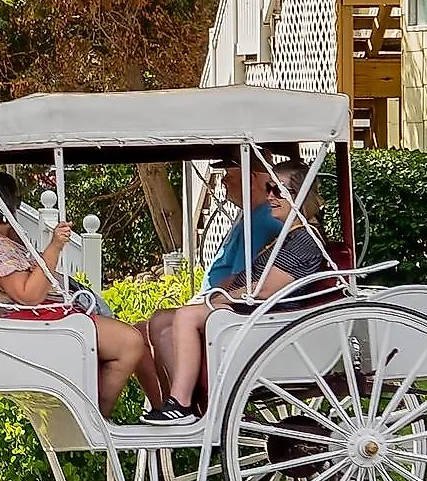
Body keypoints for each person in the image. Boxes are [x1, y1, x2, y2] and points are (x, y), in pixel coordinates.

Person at [0, 159, 163, 416]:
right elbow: (28, 295)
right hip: (35, 325)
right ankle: (96, 417)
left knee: (139, 332)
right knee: (131, 342)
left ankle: (164, 408)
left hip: (33, 321)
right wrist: (55, 246)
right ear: (6, 208)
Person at [142, 156, 334, 424]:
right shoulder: (289, 235)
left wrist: (225, 298)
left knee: (186, 316)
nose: (271, 197)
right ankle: (182, 401)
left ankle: (182, 404)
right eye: (269, 189)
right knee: (166, 319)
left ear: (299, 195)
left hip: (269, 317)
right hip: (256, 311)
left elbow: (267, 288)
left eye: (278, 190)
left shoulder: (304, 239)